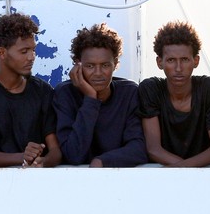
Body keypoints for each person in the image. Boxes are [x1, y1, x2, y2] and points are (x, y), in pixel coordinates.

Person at [0, 13, 61, 167]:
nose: (32, 57)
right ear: (2, 53)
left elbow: (55, 151)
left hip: (36, 181)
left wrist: (43, 162)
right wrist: (24, 157)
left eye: (33, 50)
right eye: (24, 51)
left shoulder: (43, 91)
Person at [54, 23, 147, 167]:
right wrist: (91, 98)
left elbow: (138, 148)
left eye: (105, 65)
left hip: (119, 178)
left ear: (115, 64)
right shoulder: (64, 94)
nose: (98, 73)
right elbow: (73, 155)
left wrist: (101, 161)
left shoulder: (129, 93)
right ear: (77, 65)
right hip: (75, 181)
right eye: (90, 66)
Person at [138, 21, 210, 166]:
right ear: (160, 62)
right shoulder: (150, 89)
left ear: (195, 61)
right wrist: (186, 170)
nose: (178, 68)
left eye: (184, 59)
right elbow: (153, 149)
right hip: (165, 170)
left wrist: (183, 169)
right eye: (171, 60)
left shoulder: (208, 88)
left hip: (200, 171)